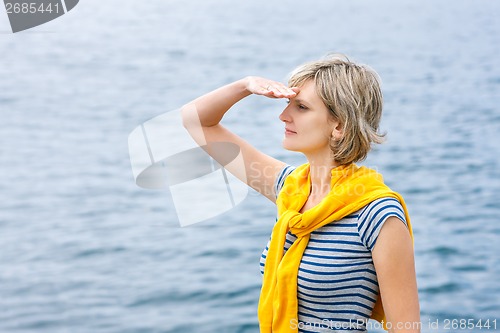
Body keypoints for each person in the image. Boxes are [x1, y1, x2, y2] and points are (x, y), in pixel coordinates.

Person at [181, 54, 420, 333]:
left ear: (339, 125)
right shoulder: (290, 188)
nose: (283, 116)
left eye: (301, 107)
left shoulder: (378, 215)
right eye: (287, 104)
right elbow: (196, 121)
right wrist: (245, 85)